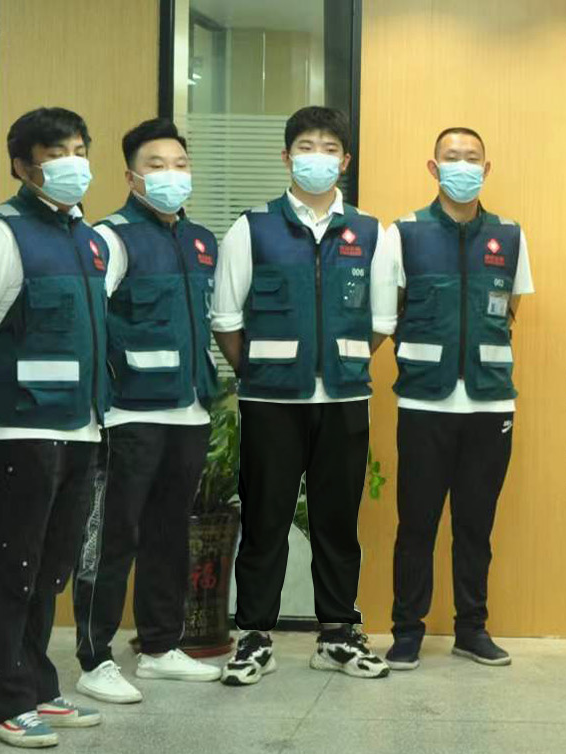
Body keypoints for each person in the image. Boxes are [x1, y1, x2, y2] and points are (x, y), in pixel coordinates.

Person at [212, 106, 397, 684]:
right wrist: (264, 374)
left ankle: (337, 634)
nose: (318, 157)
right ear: (287, 157)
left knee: (337, 522)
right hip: (271, 403)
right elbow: (226, 319)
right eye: (306, 147)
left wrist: (336, 366)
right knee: (264, 521)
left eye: (329, 148)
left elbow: (381, 322)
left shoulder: (373, 233)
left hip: (343, 401)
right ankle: (254, 637)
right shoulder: (252, 229)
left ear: (346, 160)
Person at [0, 106, 112, 747]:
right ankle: (3, 701)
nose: (72, 164)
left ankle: (39, 686)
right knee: (8, 568)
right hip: (13, 430)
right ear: (23, 167)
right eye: (55, 154)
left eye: (78, 150)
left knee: (50, 569)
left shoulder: (89, 239)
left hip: (79, 428)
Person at [70, 118, 224, 705]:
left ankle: (160, 647)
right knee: (113, 536)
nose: (171, 175)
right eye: (156, 165)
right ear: (131, 176)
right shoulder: (110, 238)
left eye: (180, 164)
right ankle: (95, 657)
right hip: (129, 413)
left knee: (169, 533)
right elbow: (89, 322)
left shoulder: (201, 240)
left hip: (189, 410)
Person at [381, 126, 532, 670]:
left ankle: (472, 629)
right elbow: (391, 308)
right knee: (416, 525)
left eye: (472, 158)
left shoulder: (509, 235)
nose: (462, 165)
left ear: (486, 169)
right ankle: (407, 631)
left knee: (475, 526)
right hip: (425, 402)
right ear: (434, 167)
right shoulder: (405, 233)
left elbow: (511, 307)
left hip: (489, 404)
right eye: (452, 156)